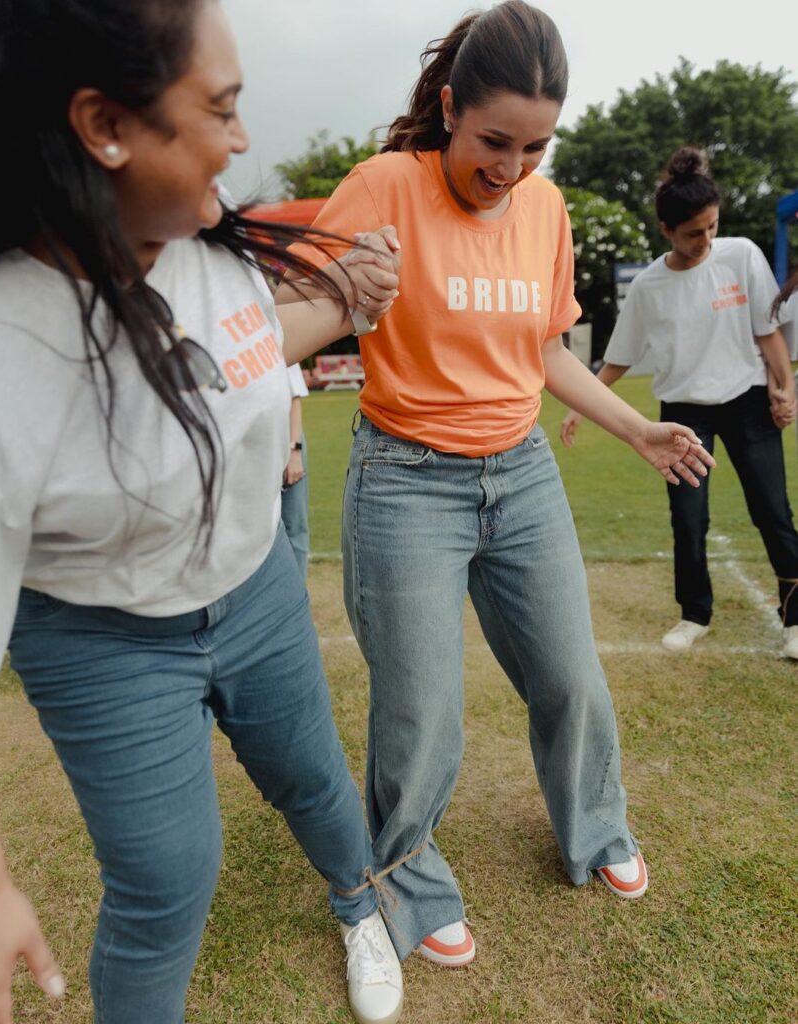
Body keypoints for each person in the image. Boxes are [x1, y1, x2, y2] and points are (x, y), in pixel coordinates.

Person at [0, 2, 406, 1023]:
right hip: (100, 642)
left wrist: (347, 299)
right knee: (166, 882)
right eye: (220, 107)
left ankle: (359, 902)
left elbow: (247, 352)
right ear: (103, 125)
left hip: (254, 589)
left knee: (314, 782)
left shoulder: (206, 240)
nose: (243, 140)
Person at [276, 0, 715, 967]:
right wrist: (346, 296)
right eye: (492, 141)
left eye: (535, 147)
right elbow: (290, 314)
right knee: (420, 710)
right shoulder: (382, 186)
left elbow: (545, 350)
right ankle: (404, 875)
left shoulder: (545, 210)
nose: (511, 169)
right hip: (405, 482)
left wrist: (637, 428)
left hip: (520, 474)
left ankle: (596, 828)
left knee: (570, 677)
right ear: (447, 109)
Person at [562, 147, 798, 660]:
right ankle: (694, 614)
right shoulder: (649, 286)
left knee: (772, 512)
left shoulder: (740, 255)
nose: (706, 240)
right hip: (684, 414)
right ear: (667, 229)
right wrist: (582, 404)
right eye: (694, 232)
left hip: (748, 401)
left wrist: (785, 387)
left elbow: (769, 331)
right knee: (688, 518)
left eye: (712, 227)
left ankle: (795, 619)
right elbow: (620, 357)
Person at [281, 363, 311, 578]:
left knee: (293, 526)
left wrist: (294, 452)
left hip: (287, 442)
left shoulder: (275, 331)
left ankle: (296, 592)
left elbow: (294, 396)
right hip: (246, 444)